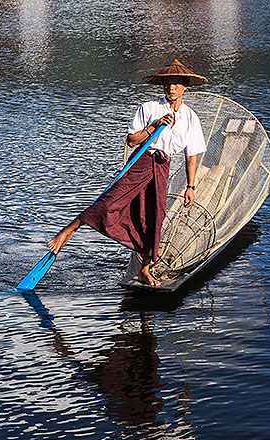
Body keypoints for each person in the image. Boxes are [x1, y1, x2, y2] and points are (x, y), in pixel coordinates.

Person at [47, 60, 207, 286]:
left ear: (185, 87)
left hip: (162, 167)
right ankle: (68, 230)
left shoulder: (191, 117)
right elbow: (132, 141)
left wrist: (191, 187)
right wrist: (154, 125)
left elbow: (191, 156)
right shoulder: (149, 108)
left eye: (176, 84)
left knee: (155, 218)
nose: (171, 88)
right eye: (167, 84)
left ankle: (145, 268)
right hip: (142, 161)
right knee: (110, 202)